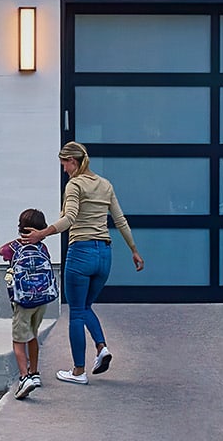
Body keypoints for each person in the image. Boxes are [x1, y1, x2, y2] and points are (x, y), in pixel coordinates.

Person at [18, 142, 143, 385]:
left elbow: (69, 218)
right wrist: (134, 251)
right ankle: (101, 348)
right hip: (105, 255)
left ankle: (78, 371)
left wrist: (41, 233)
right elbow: (120, 220)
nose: (64, 169)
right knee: (85, 306)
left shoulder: (75, 185)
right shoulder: (105, 184)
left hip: (81, 253)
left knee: (76, 311)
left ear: (73, 161)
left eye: (64, 164)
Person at [0, 207, 59, 398]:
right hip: (42, 299)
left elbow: (1, 251)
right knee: (33, 334)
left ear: (20, 228)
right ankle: (35, 373)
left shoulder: (14, 247)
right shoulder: (43, 248)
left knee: (18, 340)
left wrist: (19, 239)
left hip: (23, 302)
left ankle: (24, 378)